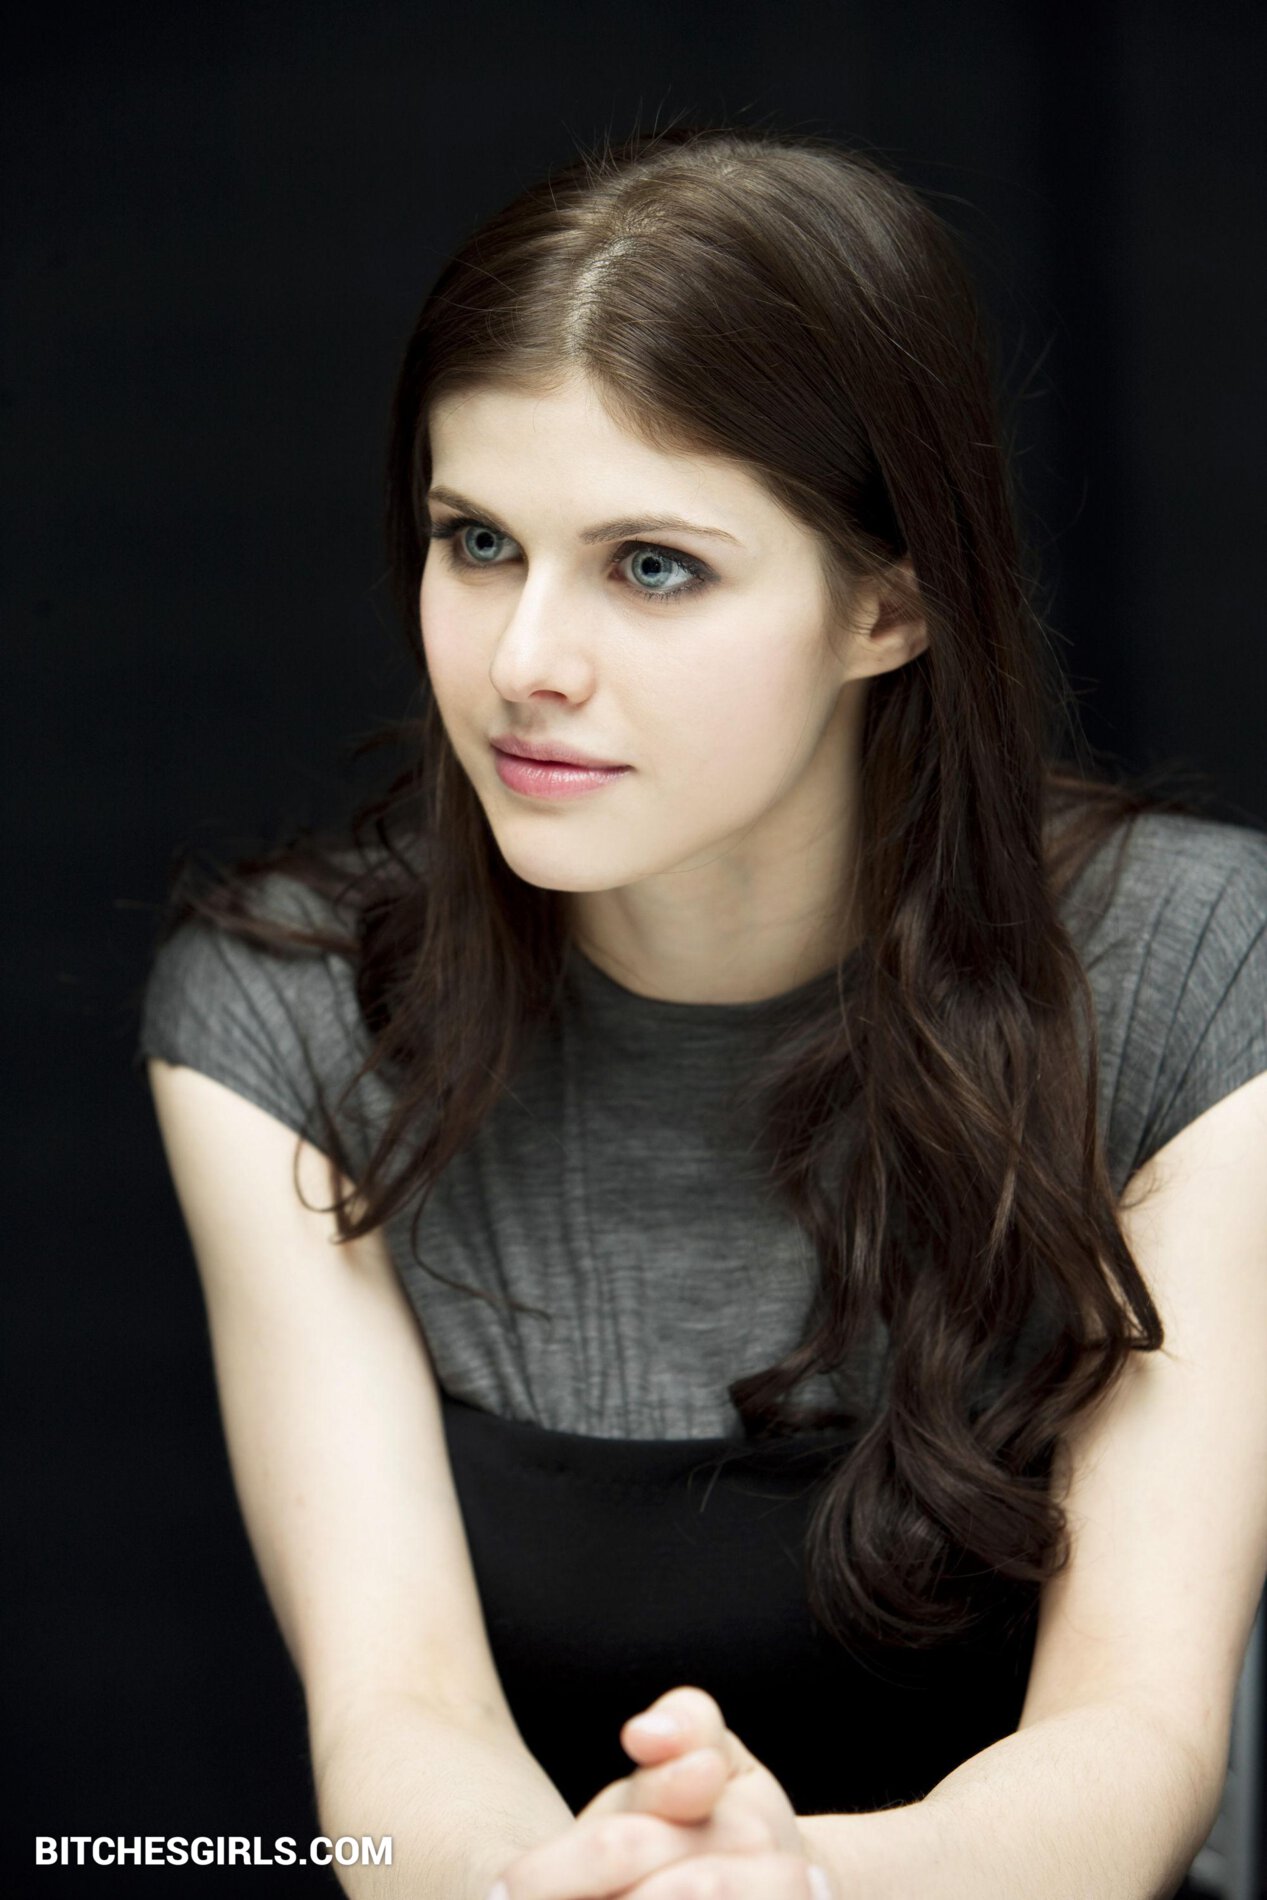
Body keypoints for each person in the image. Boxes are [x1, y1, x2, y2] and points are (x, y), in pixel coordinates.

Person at [135, 122, 1267, 1900]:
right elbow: (398, 1722)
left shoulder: (1201, 971)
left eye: (651, 565)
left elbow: (1135, 1739)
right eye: (477, 541)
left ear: (888, 607)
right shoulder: (290, 1015)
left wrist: (797, 1884)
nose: (525, 662)